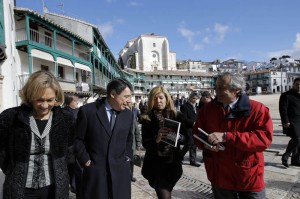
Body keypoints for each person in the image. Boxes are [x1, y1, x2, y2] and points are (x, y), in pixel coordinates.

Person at [193, 72, 273, 199]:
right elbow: (197, 133)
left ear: (236, 90)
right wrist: (206, 144)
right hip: (220, 175)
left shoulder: (257, 109)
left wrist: (227, 136)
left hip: (248, 176)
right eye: (216, 87)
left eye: (221, 88)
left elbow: (263, 139)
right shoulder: (207, 110)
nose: (216, 91)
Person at [0, 70, 76, 199]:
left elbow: (70, 153)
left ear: (57, 97)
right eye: (39, 100)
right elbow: (2, 152)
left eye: (50, 100)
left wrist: (64, 176)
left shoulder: (66, 119)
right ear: (30, 96)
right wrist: (14, 172)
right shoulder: (10, 117)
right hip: (20, 189)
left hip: (54, 188)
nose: (45, 105)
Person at [74, 78, 134, 199]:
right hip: (96, 175)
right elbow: (77, 139)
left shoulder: (128, 115)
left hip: (120, 175)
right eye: (126, 96)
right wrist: (85, 160)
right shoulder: (88, 111)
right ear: (112, 94)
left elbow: (129, 140)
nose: (129, 101)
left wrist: (127, 158)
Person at [140, 86, 186, 199]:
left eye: (161, 98)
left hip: (173, 165)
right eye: (155, 99)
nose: (158, 101)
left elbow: (187, 139)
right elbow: (145, 143)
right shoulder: (147, 118)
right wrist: (157, 138)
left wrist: (179, 137)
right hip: (156, 166)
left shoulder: (177, 115)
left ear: (167, 98)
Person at [279, 77, 300, 167]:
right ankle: (285, 156)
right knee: (297, 139)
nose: (299, 86)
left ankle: (295, 160)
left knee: (299, 140)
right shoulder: (286, 95)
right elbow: (283, 109)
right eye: (297, 84)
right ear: (293, 84)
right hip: (291, 121)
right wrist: (285, 121)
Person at [63, 93, 80, 194]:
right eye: (76, 101)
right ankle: (74, 186)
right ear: (71, 102)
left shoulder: (62, 111)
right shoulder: (73, 113)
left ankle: (72, 185)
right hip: (71, 144)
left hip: (68, 145)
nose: (77, 103)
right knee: (73, 167)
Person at [180, 92, 201, 167]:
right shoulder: (184, 106)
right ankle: (180, 156)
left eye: (196, 98)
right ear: (190, 97)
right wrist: (192, 123)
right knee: (189, 143)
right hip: (188, 128)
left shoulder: (196, 107)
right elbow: (184, 118)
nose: (194, 100)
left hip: (195, 128)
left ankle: (192, 160)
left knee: (194, 144)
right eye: (193, 98)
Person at [126, 101, 142, 182]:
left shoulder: (133, 118)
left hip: (132, 145)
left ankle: (130, 176)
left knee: (131, 162)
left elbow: (137, 132)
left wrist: (138, 144)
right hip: (123, 145)